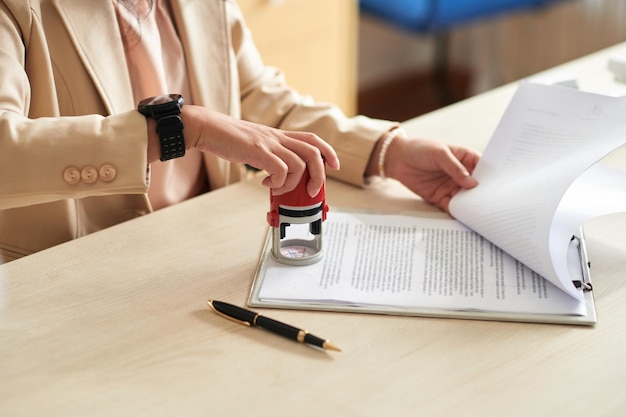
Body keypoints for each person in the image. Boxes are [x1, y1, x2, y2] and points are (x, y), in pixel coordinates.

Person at [0, 0, 480, 264]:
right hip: (69, 274)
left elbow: (254, 98)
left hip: (199, 252)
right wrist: (178, 129)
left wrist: (386, 151)